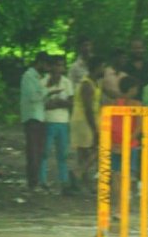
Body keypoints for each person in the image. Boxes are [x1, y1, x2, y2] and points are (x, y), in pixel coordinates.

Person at [40, 55, 73, 193]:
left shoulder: (66, 82)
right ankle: (42, 180)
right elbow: (42, 104)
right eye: (57, 65)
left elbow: (71, 102)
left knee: (63, 154)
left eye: (62, 66)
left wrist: (56, 103)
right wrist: (60, 103)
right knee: (44, 153)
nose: (60, 68)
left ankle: (64, 181)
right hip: (48, 121)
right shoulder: (43, 82)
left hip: (63, 121)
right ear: (51, 67)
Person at [70, 56, 105, 191]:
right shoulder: (87, 84)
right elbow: (88, 108)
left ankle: (80, 181)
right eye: (102, 66)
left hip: (88, 120)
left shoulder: (96, 82)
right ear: (96, 68)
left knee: (85, 153)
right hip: (83, 120)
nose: (104, 70)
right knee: (96, 149)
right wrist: (95, 128)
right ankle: (78, 173)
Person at [110, 75, 142, 210]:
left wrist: (112, 143)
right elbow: (139, 127)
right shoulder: (137, 105)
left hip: (115, 143)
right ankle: (124, 202)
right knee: (127, 175)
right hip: (130, 144)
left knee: (116, 175)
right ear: (132, 89)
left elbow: (109, 125)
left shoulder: (114, 104)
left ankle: (118, 205)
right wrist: (128, 141)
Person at [20, 52, 49, 191]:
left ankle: (35, 181)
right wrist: (47, 91)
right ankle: (32, 183)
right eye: (45, 64)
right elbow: (32, 97)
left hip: (40, 117)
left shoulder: (37, 77)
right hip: (32, 118)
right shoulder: (28, 76)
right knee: (33, 151)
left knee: (39, 151)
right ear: (40, 62)